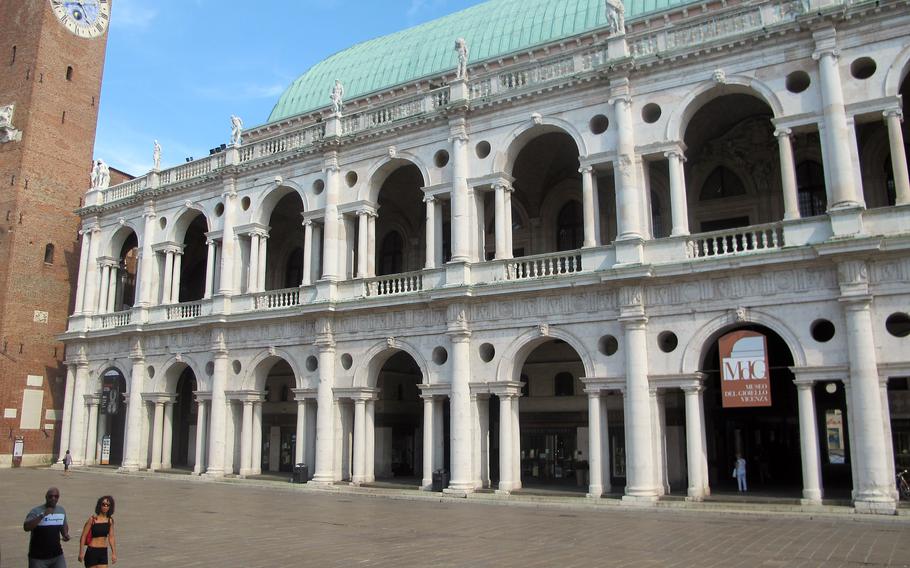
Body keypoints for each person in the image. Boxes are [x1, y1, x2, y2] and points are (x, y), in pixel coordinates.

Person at [23, 487, 70, 568]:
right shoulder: (36, 511)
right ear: (46, 497)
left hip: (57, 556)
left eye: (56, 496)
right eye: (50, 496)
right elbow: (26, 527)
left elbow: (63, 525)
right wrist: (43, 515)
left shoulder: (61, 510)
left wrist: (65, 534)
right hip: (38, 558)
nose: (53, 498)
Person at [78, 496, 117, 567]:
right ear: (100, 505)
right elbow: (83, 536)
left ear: (110, 507)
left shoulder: (110, 521)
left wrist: (114, 553)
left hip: (103, 552)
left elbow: (111, 537)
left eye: (107, 505)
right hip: (92, 551)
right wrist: (81, 553)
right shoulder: (92, 519)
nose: (105, 507)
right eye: (103, 504)